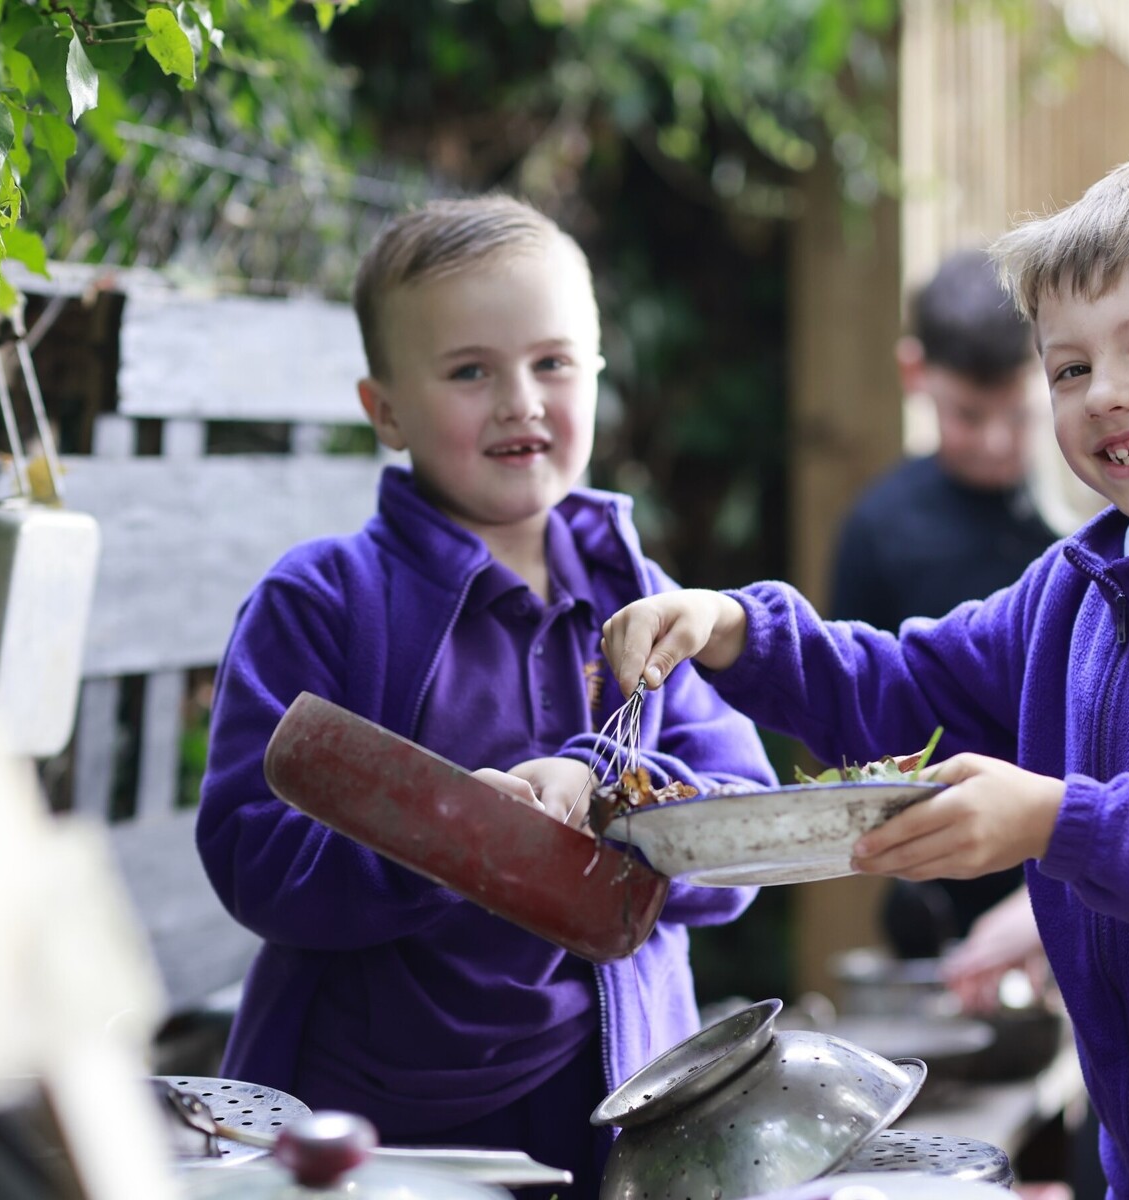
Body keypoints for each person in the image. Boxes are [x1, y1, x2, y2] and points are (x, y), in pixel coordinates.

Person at [600, 156, 1129, 1196]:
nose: (1105, 394)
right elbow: (902, 681)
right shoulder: (1072, 590)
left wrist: (1058, 821)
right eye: (1067, 369)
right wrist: (738, 630)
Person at [195, 196, 774, 1199]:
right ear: (384, 410)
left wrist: (606, 788)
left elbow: (747, 838)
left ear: (597, 371)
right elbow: (250, 850)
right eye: (470, 371)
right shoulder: (321, 600)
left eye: (552, 363)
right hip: (381, 1124)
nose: (520, 401)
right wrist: (454, 835)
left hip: (616, 1107)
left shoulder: (640, 598)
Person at [830, 249, 1059, 963]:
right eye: (968, 414)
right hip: (940, 891)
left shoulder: (1080, 512)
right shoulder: (879, 528)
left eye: (1019, 416)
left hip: (1086, 862)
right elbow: (849, 718)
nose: (995, 442)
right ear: (914, 374)